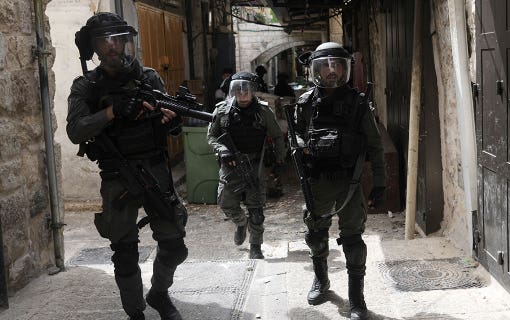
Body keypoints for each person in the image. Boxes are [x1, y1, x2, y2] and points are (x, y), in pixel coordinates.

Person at [66, 12, 188, 320]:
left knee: (174, 245)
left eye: (117, 40)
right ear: (93, 47)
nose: (111, 47)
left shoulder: (148, 77)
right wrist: (112, 112)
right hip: (118, 174)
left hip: (155, 168)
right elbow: (75, 130)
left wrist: (170, 123)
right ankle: (135, 312)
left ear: (126, 42)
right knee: (124, 253)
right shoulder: (86, 86)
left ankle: (159, 294)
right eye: (103, 41)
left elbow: (163, 115)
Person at [291, 42, 386, 320]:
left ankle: (357, 298)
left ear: (345, 69)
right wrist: (298, 145)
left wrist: (380, 182)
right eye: (325, 66)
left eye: (337, 66)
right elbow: (294, 135)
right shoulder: (305, 103)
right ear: (315, 70)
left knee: (354, 242)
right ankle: (321, 280)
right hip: (317, 181)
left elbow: (375, 145)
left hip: (350, 183)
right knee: (315, 235)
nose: (331, 72)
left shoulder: (358, 104)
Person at [207, 71, 286, 259]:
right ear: (233, 92)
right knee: (226, 202)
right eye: (238, 91)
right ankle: (241, 223)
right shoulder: (222, 111)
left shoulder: (263, 112)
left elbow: (277, 136)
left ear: (253, 92)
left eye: (246, 91)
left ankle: (255, 246)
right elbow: (211, 136)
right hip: (230, 164)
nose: (242, 95)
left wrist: (280, 160)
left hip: (255, 164)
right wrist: (222, 150)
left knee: (256, 208)